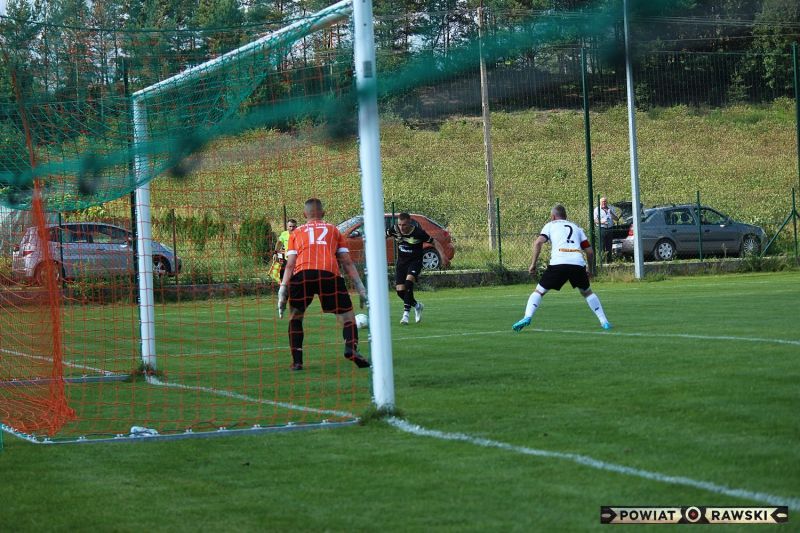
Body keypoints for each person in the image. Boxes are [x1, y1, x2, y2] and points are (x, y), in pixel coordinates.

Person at [277, 199, 369, 371]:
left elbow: (290, 264)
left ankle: (297, 362)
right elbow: (347, 262)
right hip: (329, 274)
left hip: (302, 275)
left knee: (295, 318)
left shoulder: (296, 233)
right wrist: (361, 288)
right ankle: (351, 348)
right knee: (347, 318)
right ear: (323, 213)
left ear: (304, 214)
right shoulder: (333, 230)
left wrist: (282, 289)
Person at [512, 204, 611, 332]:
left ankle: (527, 317)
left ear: (553, 216)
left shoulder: (550, 225)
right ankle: (604, 322)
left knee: (539, 292)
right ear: (566, 216)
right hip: (577, 263)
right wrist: (590, 270)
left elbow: (538, 242)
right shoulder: (576, 228)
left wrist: (533, 264)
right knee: (587, 293)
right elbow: (590, 252)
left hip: (558, 263)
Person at [386, 212, 449, 325]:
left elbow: (434, 242)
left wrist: (442, 255)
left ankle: (405, 315)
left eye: (404, 225)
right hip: (401, 263)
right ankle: (417, 306)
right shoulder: (394, 229)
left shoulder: (418, 233)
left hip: (415, 262)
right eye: (399, 224)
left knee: (408, 283)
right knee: (400, 292)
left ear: (410, 223)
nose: (401, 227)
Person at [594, 197, 619, 263]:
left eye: (605, 201)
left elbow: (617, 219)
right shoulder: (597, 210)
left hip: (610, 229)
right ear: (600, 202)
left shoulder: (611, 208)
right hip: (601, 228)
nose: (604, 203)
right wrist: (602, 222)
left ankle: (609, 260)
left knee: (609, 245)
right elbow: (595, 220)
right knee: (601, 245)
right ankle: (601, 261)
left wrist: (611, 213)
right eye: (602, 201)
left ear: (607, 202)